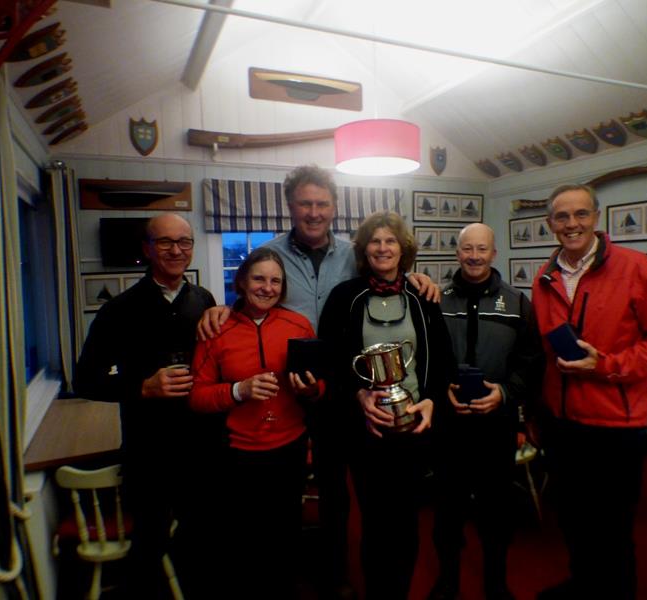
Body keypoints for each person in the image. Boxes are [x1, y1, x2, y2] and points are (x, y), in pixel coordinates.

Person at [198, 165, 438, 599]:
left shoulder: (354, 252)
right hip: (284, 388)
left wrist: (417, 279)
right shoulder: (268, 253)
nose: (313, 212)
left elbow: (388, 274)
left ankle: (344, 573)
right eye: (305, 203)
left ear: (334, 208)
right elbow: (252, 297)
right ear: (291, 206)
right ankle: (305, 574)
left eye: (321, 204)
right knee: (297, 493)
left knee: (343, 489)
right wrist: (215, 308)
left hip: (343, 386)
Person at [531, 184, 647, 600]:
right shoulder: (544, 275)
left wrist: (605, 365)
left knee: (613, 528)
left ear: (596, 218)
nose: (572, 224)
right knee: (571, 517)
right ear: (551, 223)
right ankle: (582, 585)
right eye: (562, 217)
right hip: (562, 423)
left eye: (580, 214)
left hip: (615, 426)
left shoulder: (638, 269)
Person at [75, 213, 218, 598]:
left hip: (200, 444)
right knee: (150, 544)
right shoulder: (118, 310)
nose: (176, 250)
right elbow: (84, 380)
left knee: (199, 537)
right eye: (165, 242)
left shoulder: (203, 300)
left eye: (184, 242)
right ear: (147, 250)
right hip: (147, 449)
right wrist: (142, 387)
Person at [317, 211, 455, 600]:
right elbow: (330, 359)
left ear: (403, 248)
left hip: (414, 426)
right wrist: (357, 395)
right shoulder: (345, 297)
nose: (382, 248)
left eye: (390, 241)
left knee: (407, 522)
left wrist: (430, 401)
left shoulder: (423, 295)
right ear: (364, 250)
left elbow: (443, 359)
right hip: (366, 429)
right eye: (375, 241)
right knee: (375, 522)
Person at [189, 247, 321, 599]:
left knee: (285, 534)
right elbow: (197, 397)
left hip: (289, 446)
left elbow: (321, 385)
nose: (268, 287)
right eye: (259, 279)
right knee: (242, 539)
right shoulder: (215, 329)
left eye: (275, 281)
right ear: (242, 282)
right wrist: (238, 390)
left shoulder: (299, 325)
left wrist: (311, 389)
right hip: (237, 452)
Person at [428, 223, 543, 600]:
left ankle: (496, 582)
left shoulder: (517, 303)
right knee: (447, 510)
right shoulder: (435, 300)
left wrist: (506, 394)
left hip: (496, 424)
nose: (474, 256)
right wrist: (439, 388)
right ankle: (447, 581)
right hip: (449, 424)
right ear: (457, 252)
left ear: (494, 253)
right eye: (466, 249)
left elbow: (531, 363)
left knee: (496, 512)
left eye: (481, 249)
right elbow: (425, 358)